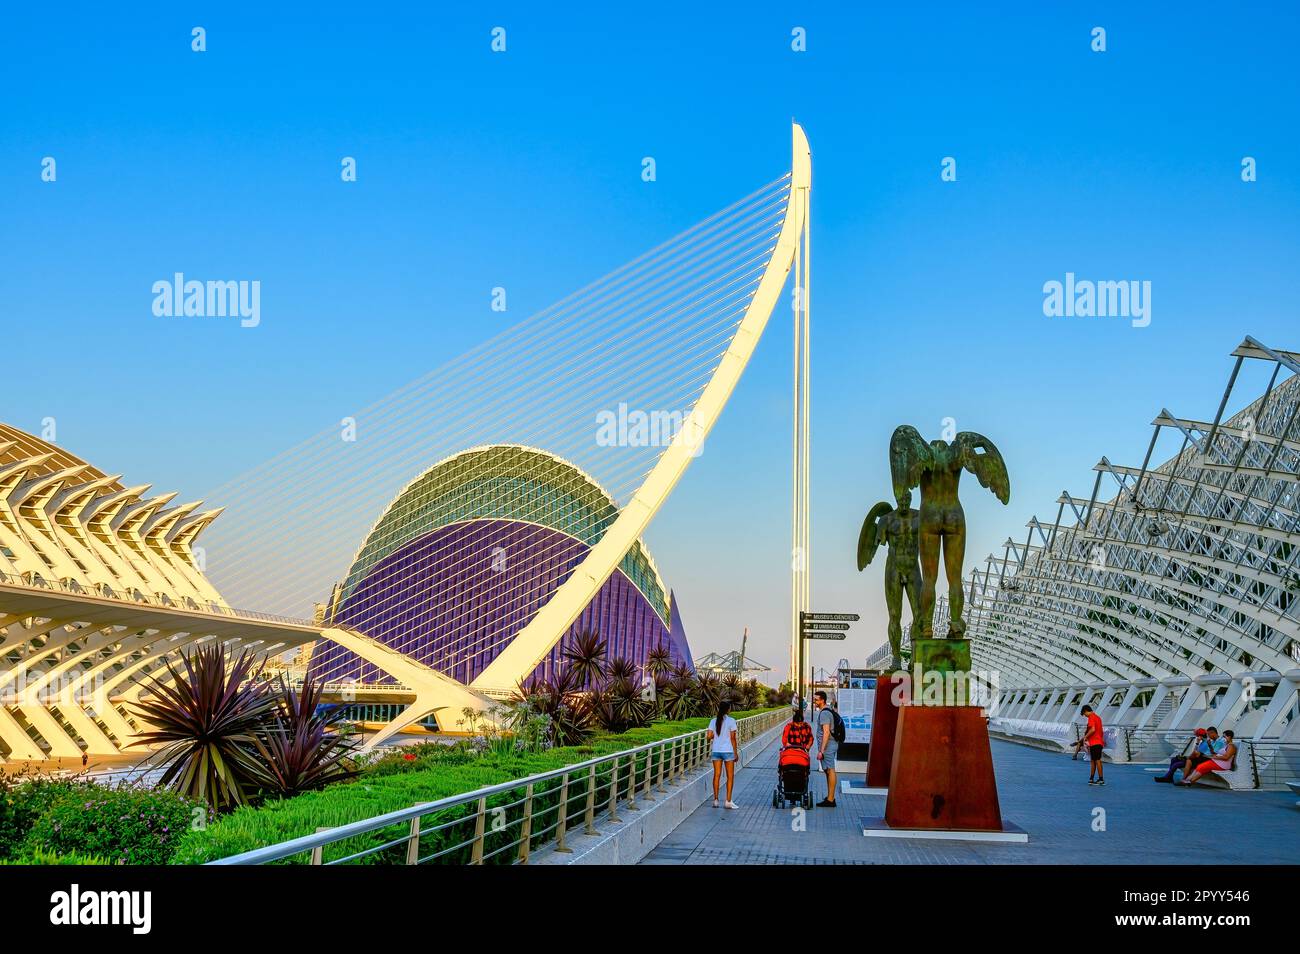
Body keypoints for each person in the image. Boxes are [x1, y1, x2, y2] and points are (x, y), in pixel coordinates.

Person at [706, 699, 739, 809]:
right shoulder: (731, 721)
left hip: (716, 750)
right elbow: (733, 738)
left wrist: (716, 737)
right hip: (728, 751)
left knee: (717, 775)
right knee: (730, 777)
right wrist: (735, 752)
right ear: (728, 710)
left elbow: (709, 736)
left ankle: (715, 800)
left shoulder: (713, 721)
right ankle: (728, 801)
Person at [1154, 727, 1219, 783]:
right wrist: (1197, 743)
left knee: (1176, 764)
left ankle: (1168, 778)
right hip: (1196, 758)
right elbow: (1196, 752)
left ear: (1200, 736)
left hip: (1198, 759)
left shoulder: (1206, 743)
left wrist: (1188, 756)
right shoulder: (1203, 742)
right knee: (1174, 759)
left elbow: (1198, 753)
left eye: (1197, 735)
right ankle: (1168, 777)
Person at [813, 690, 839, 807]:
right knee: (828, 770)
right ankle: (830, 797)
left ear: (822, 700)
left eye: (816, 699)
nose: (814, 701)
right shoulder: (828, 710)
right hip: (829, 745)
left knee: (830, 769)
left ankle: (830, 799)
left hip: (828, 746)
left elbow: (826, 732)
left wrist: (821, 751)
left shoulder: (824, 713)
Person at [1081, 704, 1105, 785]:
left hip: (1095, 742)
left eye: (1084, 714)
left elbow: (1093, 729)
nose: (1085, 716)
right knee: (1094, 760)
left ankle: (1101, 779)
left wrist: (1085, 737)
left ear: (1086, 711)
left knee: (1096, 760)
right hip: (1098, 741)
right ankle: (1091, 778)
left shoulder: (1091, 717)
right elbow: (1100, 731)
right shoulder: (1098, 717)